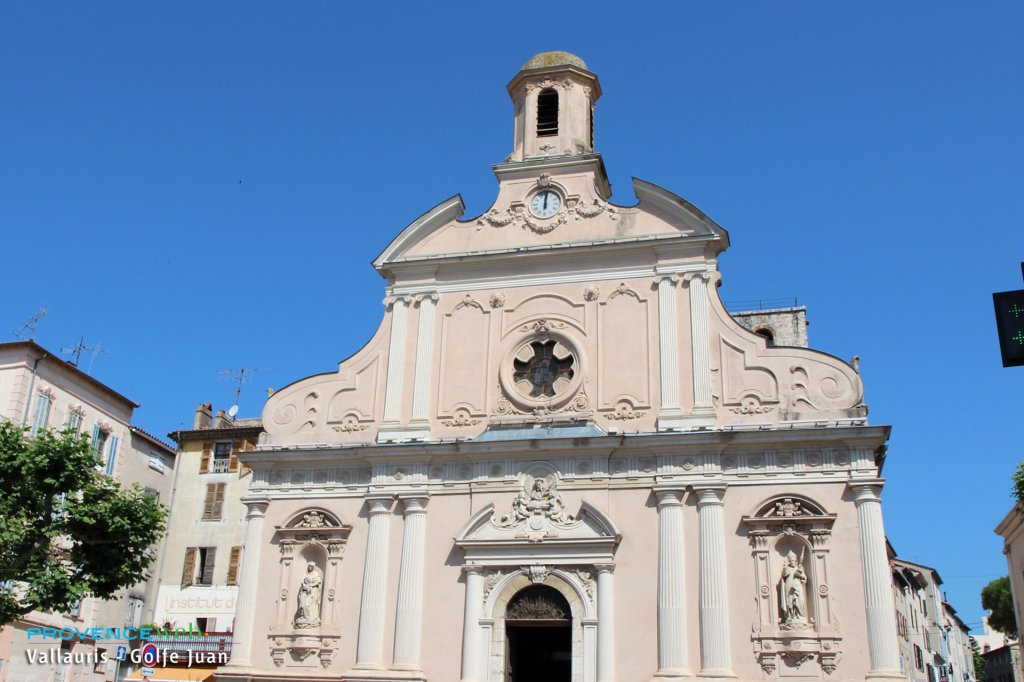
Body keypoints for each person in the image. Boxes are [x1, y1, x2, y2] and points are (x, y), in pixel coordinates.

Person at [779, 550, 807, 623]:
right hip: (789, 586)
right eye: (790, 560)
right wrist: (785, 570)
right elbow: (784, 575)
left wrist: (799, 575)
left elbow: (804, 577)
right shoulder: (787, 568)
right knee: (790, 602)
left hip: (797, 587)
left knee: (799, 600)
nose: (791, 561)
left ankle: (799, 616)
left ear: (795, 560)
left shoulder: (799, 568)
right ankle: (790, 616)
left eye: (792, 560)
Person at [295, 562, 324, 627]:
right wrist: (305, 585)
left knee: (310, 604)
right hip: (305, 591)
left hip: (313, 591)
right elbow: (302, 581)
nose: (310, 567)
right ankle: (304, 616)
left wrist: (311, 585)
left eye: (311, 566)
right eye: (309, 566)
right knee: (303, 604)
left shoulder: (316, 574)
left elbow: (318, 581)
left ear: (313, 567)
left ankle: (311, 617)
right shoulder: (306, 574)